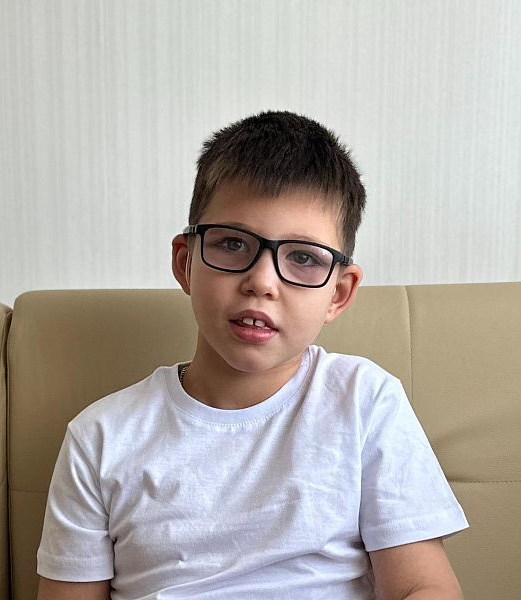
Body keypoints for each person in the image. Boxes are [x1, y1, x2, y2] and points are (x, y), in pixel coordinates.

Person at [37, 111, 468, 600]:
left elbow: (422, 587)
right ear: (186, 262)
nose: (261, 282)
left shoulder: (365, 401)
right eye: (233, 244)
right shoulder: (100, 437)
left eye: (302, 257)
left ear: (338, 293)